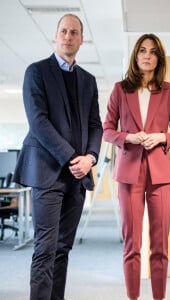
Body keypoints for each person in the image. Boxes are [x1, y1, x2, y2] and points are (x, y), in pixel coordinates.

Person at [13, 14, 103, 300]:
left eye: (73, 32)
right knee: (45, 248)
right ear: (56, 35)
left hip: (77, 177)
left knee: (63, 249)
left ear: (81, 39)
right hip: (48, 172)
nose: (68, 36)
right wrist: (71, 158)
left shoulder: (88, 81)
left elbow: (95, 125)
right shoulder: (36, 72)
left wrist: (90, 157)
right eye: (63, 31)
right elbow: (39, 123)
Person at [103, 33, 170, 300]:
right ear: (135, 56)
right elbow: (106, 131)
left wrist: (162, 137)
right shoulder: (120, 89)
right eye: (142, 51)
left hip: (160, 175)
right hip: (129, 174)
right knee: (132, 244)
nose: (147, 56)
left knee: (160, 245)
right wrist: (127, 137)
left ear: (158, 58)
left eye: (152, 51)